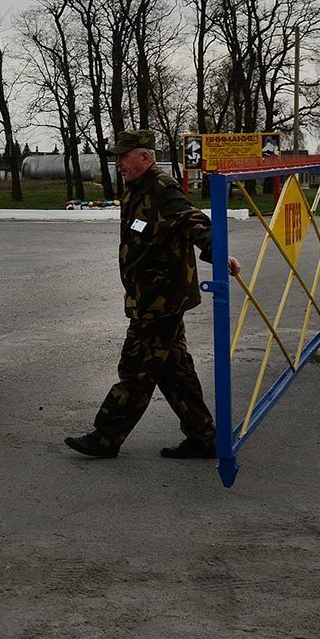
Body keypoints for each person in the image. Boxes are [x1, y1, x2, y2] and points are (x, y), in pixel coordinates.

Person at [66, 129, 243, 460]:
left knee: (136, 368)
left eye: (124, 156)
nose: (118, 163)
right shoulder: (136, 189)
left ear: (145, 156)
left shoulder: (162, 188)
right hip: (150, 296)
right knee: (174, 369)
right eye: (117, 157)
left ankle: (106, 438)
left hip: (160, 300)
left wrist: (219, 253)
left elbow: (191, 221)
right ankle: (204, 436)